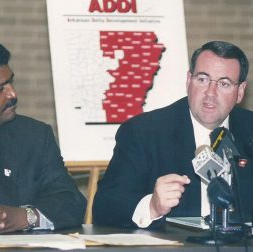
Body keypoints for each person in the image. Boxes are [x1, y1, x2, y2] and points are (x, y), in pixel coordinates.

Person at [93, 41, 253, 229]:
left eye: (224, 84)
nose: (211, 93)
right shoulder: (144, 131)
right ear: (188, 81)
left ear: (240, 91)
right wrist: (152, 206)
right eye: (202, 79)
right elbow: (105, 207)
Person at [0, 37, 86, 234]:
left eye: (11, 83)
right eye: (0, 89)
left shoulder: (33, 135)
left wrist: (23, 217)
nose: (13, 94)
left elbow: (70, 201)